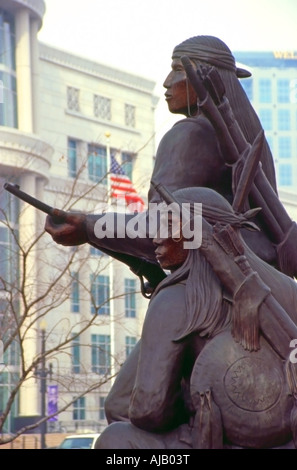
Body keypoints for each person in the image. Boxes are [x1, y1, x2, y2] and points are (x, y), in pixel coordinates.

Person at [45, 35, 288, 282]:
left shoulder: (190, 134)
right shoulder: (245, 142)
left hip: (211, 294)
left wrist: (88, 226)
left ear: (204, 78)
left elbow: (160, 227)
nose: (166, 82)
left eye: (178, 70)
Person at [95, 187, 297, 449]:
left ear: (197, 233)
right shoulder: (288, 291)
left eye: (168, 225)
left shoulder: (176, 300)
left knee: (114, 441)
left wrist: (193, 404)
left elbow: (148, 410)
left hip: (204, 442)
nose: (156, 237)